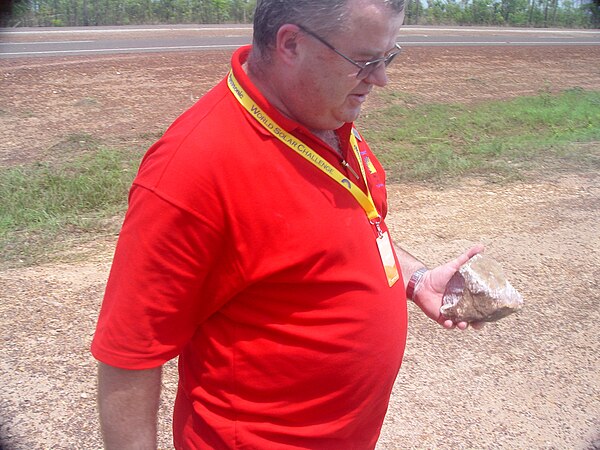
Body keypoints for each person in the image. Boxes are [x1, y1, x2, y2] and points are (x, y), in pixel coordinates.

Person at [91, 0, 483, 448]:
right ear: (291, 44)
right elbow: (130, 355)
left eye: (388, 57)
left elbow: (342, 232)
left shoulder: (320, 114)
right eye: (366, 61)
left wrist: (415, 279)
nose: (381, 79)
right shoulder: (192, 170)